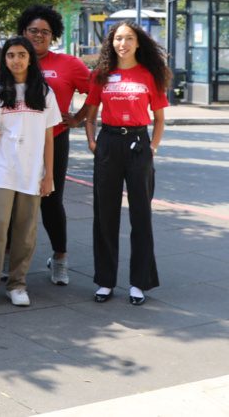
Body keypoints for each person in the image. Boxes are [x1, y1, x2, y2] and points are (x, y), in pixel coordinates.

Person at [0, 37, 61, 310]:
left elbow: (49, 139)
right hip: (3, 169)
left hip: (31, 170)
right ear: (5, 60)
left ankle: (17, 284)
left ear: (30, 58)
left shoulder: (44, 93)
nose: (16, 60)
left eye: (21, 54)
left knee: (26, 231)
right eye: (10, 55)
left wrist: (49, 175)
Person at [85, 22, 168, 306]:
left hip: (138, 144)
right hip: (108, 144)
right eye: (118, 38)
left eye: (129, 38)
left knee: (141, 215)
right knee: (105, 214)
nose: (123, 43)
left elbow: (159, 119)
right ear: (112, 43)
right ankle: (105, 281)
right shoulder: (101, 75)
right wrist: (92, 142)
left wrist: (153, 147)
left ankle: (139, 282)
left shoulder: (149, 75)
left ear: (138, 43)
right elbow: (90, 113)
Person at [16, 5, 91, 286]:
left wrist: (79, 119)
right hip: (17, 142)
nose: (38, 36)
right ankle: (11, 260)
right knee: (13, 201)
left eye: (45, 32)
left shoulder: (68, 64)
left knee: (51, 202)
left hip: (55, 139)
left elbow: (96, 90)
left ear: (53, 35)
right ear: (23, 31)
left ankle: (60, 258)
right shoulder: (13, 58)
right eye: (33, 30)